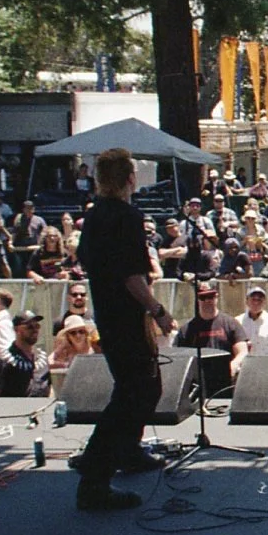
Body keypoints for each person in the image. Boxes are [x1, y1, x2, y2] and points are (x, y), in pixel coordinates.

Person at [72, 147, 177, 511]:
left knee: (141, 387)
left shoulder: (94, 217)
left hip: (108, 314)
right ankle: (95, 478)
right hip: (128, 316)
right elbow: (132, 275)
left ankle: (129, 451)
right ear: (130, 179)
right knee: (135, 393)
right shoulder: (128, 218)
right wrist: (158, 310)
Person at [175, 281, 249, 380]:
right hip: (198, 381)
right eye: (203, 298)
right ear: (197, 300)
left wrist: (233, 365)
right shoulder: (187, 329)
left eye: (210, 297)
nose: (207, 301)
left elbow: (243, 352)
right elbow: (179, 357)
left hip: (225, 380)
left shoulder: (231, 323)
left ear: (216, 297)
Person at [0, 310, 51, 397]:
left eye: (37, 326)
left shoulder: (41, 360)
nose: (35, 330)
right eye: (29, 327)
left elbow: (48, 388)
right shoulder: (4, 361)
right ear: (16, 329)